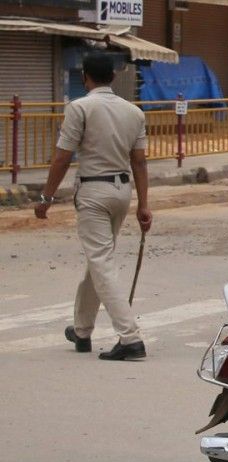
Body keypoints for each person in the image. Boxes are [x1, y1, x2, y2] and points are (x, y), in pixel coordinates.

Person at [34, 53, 151, 361]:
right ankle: (82, 330)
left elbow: (62, 157)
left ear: (86, 76)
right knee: (98, 261)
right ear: (112, 77)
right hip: (122, 191)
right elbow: (139, 161)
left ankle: (130, 337)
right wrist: (144, 205)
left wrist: (46, 198)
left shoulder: (80, 107)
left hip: (93, 191)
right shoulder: (133, 112)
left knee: (101, 262)